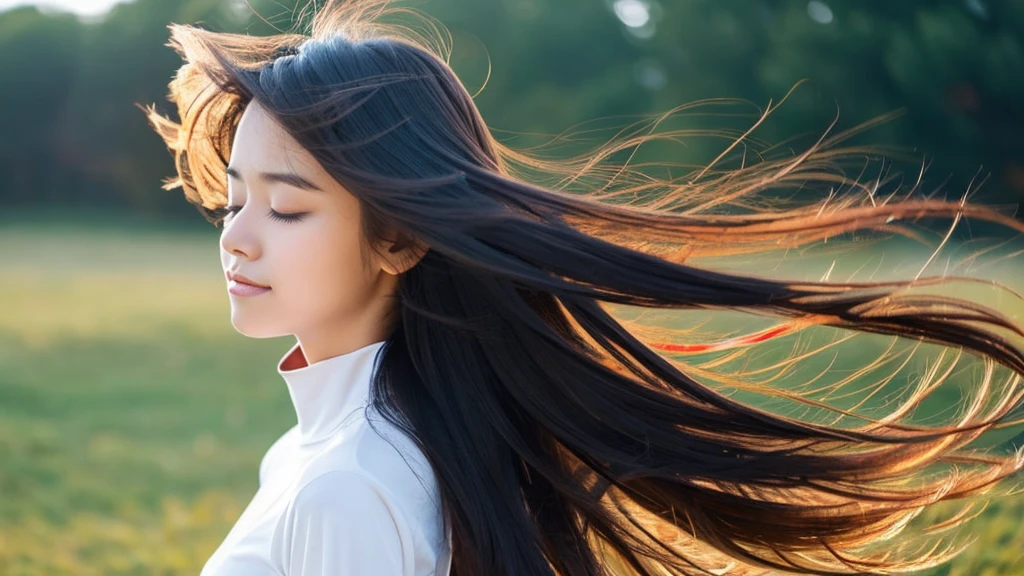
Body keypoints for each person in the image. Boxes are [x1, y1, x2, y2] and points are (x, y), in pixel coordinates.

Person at [144, 0, 1024, 574]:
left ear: (402, 237)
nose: (237, 235)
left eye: (287, 210)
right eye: (232, 199)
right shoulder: (337, 447)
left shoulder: (351, 482)